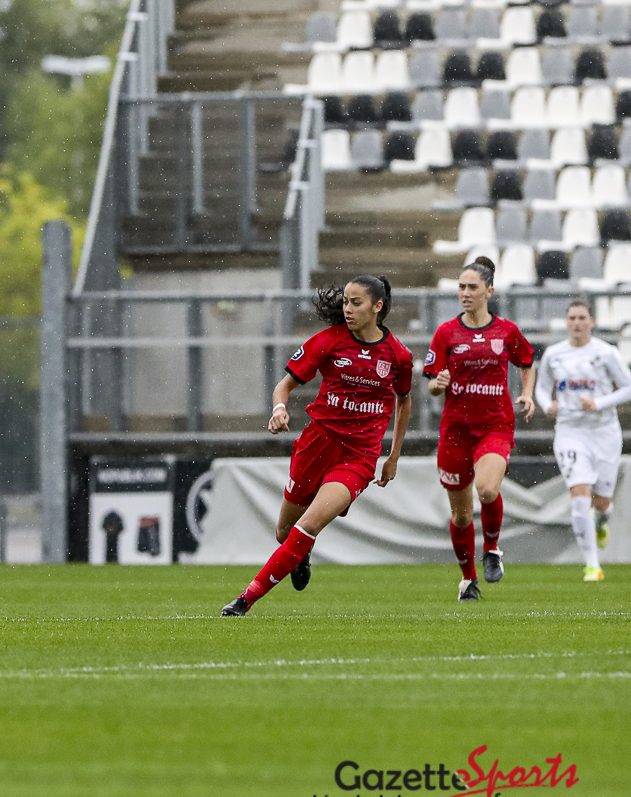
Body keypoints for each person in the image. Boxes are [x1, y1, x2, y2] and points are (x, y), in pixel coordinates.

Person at [221, 276, 413, 616]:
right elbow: (284, 386)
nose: (348, 309)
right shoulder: (329, 340)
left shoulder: (398, 355)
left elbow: (404, 400)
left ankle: (245, 599)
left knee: (308, 524)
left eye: (356, 302)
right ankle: (301, 553)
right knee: (285, 532)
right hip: (317, 444)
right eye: (346, 301)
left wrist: (393, 456)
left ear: (377, 306)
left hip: (358, 457)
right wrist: (279, 409)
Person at [425, 256, 537, 602]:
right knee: (460, 515)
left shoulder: (506, 331)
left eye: (472, 287)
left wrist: (527, 393)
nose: (465, 293)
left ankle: (491, 549)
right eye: (461, 287)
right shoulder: (446, 332)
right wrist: (437, 384)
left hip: (494, 425)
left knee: (487, 490)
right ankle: (468, 580)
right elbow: (432, 383)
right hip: (455, 430)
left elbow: (527, 361)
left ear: (489, 291)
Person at [535, 299, 628, 582]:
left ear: (592, 322)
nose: (576, 323)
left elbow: (628, 387)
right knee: (579, 494)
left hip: (604, 432)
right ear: (566, 322)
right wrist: (547, 405)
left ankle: (601, 522)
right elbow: (542, 388)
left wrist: (599, 403)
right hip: (570, 431)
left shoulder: (606, 352)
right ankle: (592, 565)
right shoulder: (554, 354)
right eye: (572, 318)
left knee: (601, 503)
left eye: (582, 318)